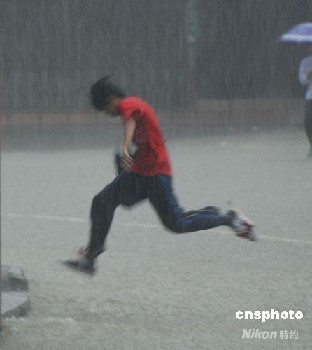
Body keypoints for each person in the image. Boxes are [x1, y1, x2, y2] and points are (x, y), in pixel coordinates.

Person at [64, 76, 255, 274]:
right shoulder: (129, 109)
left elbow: (129, 120)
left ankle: (228, 219)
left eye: (106, 110)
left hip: (156, 174)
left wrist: (125, 146)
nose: (108, 115)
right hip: (140, 172)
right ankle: (90, 257)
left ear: (112, 99)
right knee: (102, 201)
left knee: (177, 223)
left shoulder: (130, 104)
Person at [299, 47, 312, 157]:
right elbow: (302, 79)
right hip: (310, 96)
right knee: (308, 122)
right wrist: (308, 76)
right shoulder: (305, 62)